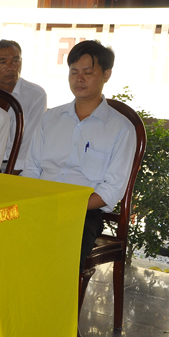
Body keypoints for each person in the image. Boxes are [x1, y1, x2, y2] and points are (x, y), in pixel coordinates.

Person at [22, 40, 136, 271]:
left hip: (83, 212)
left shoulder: (120, 128)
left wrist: (68, 206)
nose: (79, 79)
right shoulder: (50, 118)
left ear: (106, 75)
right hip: (39, 203)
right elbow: (32, 168)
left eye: (87, 72)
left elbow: (112, 189)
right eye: (74, 72)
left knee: (58, 261)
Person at [0, 40, 47, 172]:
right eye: (3, 62)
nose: (11, 67)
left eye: (15, 60)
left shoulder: (35, 95)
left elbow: (30, 141)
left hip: (18, 168)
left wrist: (11, 174)